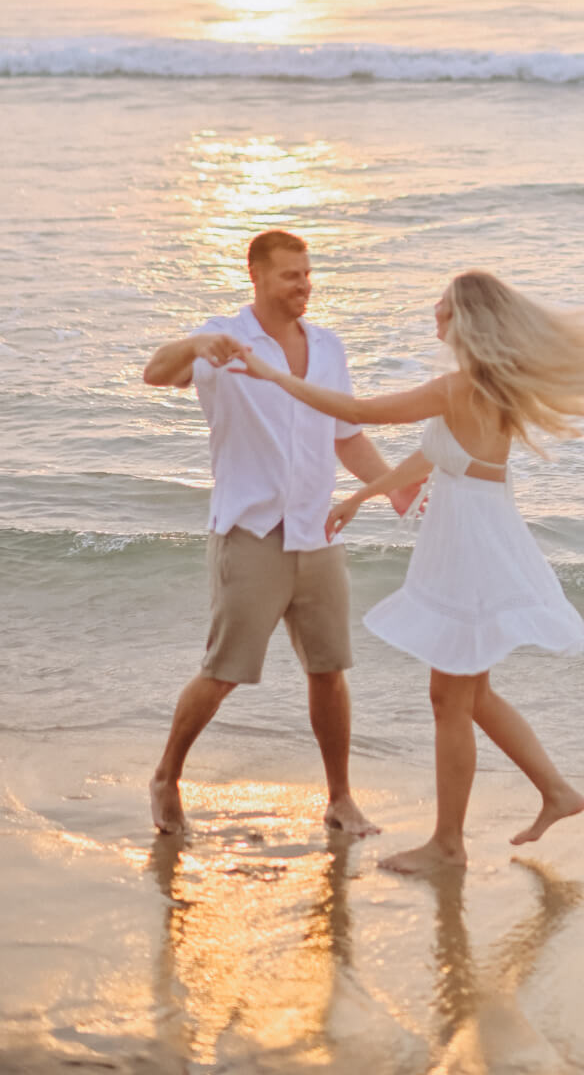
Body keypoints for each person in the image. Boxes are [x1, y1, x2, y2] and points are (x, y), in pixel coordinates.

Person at [225, 269, 584, 874]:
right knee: (469, 695)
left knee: (451, 700)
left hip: (470, 548)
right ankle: (556, 792)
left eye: (443, 305)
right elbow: (436, 456)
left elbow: (358, 410)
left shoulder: (459, 387)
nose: (435, 310)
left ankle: (448, 845)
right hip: (476, 536)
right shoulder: (489, 386)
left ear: (465, 319)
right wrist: (364, 494)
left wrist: (273, 376)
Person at [142, 229, 421, 837]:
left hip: (317, 533)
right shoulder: (222, 339)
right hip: (250, 531)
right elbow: (155, 373)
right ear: (258, 275)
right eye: (292, 274)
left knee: (329, 670)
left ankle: (340, 799)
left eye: (308, 273)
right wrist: (195, 343)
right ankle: (166, 777)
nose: (305, 285)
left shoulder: (328, 347)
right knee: (223, 672)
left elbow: (346, 433)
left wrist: (394, 487)